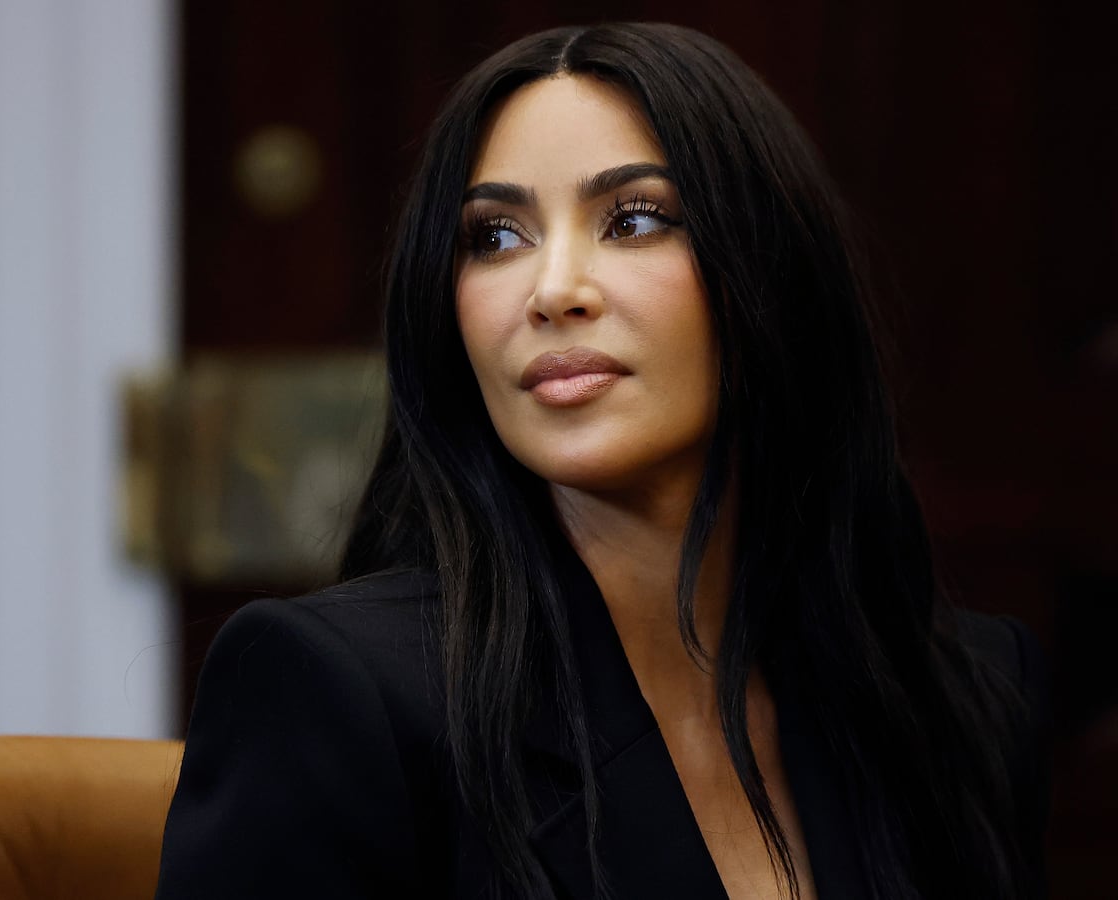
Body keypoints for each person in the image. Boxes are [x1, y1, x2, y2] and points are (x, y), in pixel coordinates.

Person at [153, 22, 1048, 900]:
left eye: (634, 220)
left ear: (770, 269)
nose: (552, 290)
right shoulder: (337, 695)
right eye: (495, 238)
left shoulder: (967, 696)